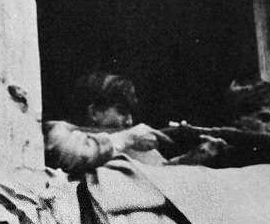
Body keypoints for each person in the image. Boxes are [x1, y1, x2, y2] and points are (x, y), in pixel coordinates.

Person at [45, 72, 223, 174]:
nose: (129, 121)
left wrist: (193, 157)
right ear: (94, 112)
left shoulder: (131, 143)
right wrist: (126, 139)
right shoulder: (60, 131)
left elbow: (161, 176)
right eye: (122, 111)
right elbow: (69, 156)